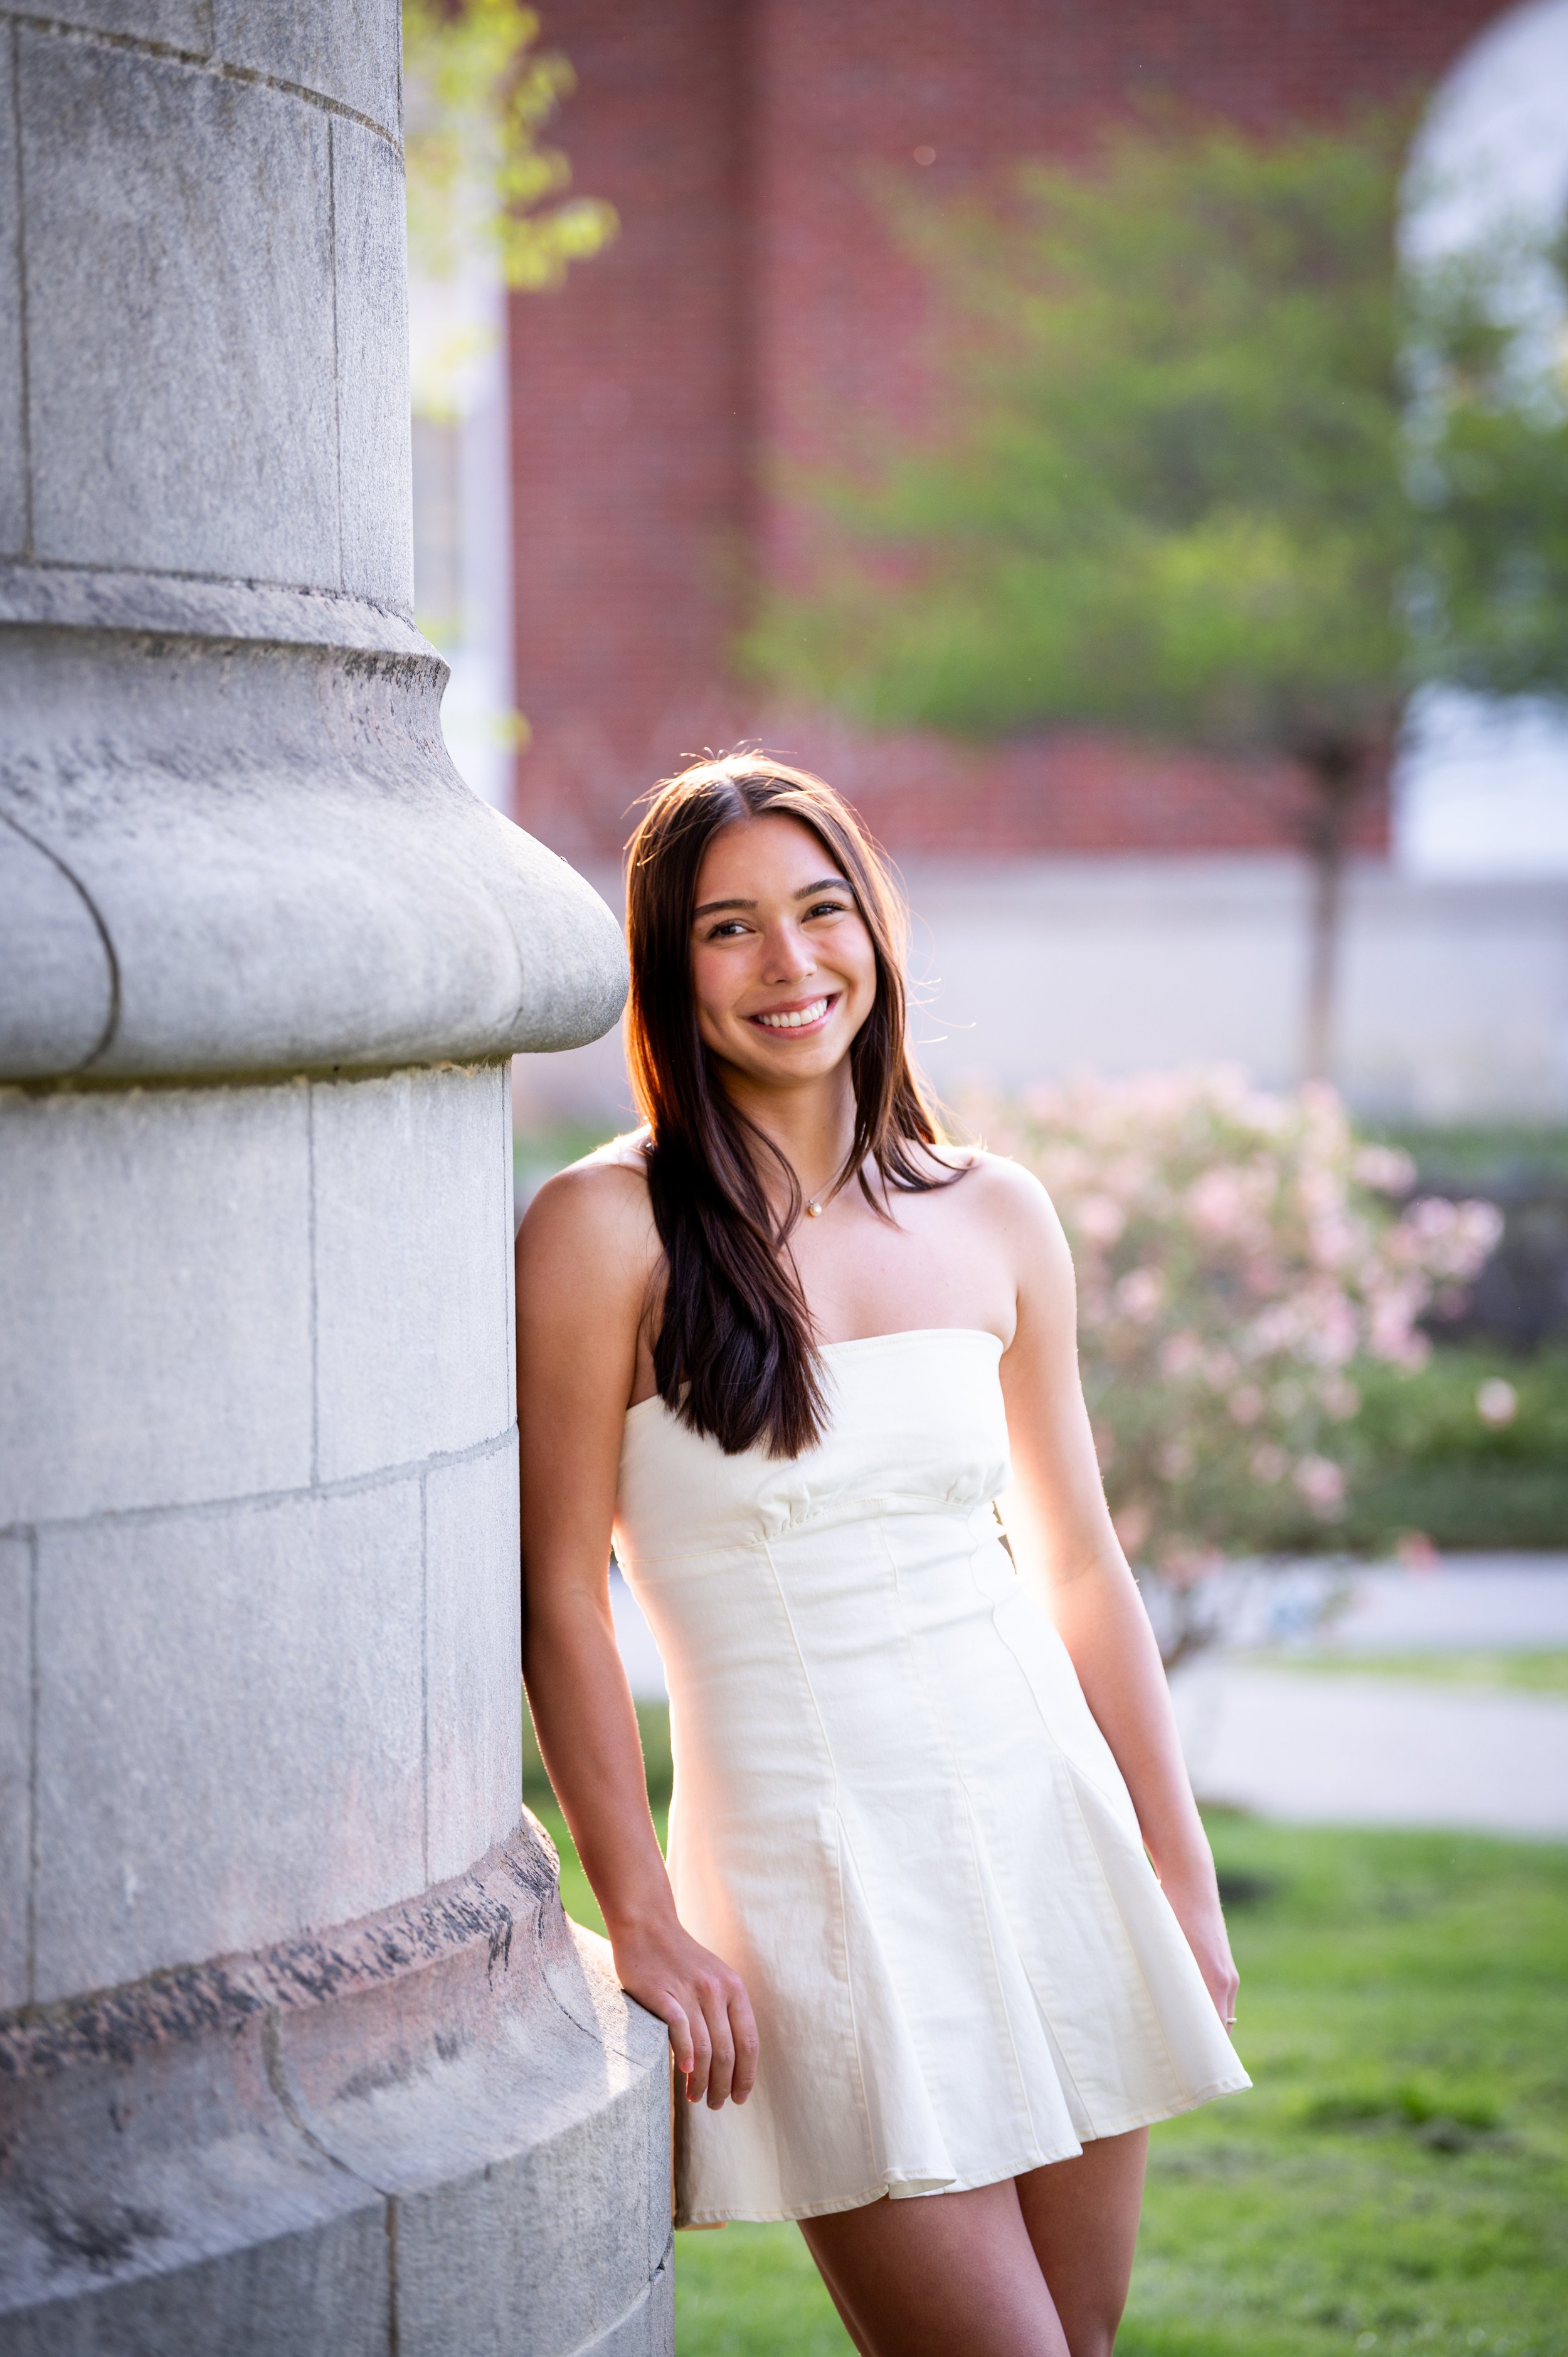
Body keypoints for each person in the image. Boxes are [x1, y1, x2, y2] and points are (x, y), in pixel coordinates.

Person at [516, 754, 1249, 2357]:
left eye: (819, 910)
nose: (789, 966)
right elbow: (556, 1595)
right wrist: (634, 1907)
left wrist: (1173, 1876)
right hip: (815, 1876)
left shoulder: (995, 1212)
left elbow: (1079, 1567)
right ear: (666, 967)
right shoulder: (603, 1231)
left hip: (1047, 1827)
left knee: (1083, 2337)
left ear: (874, 929)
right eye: (728, 930)